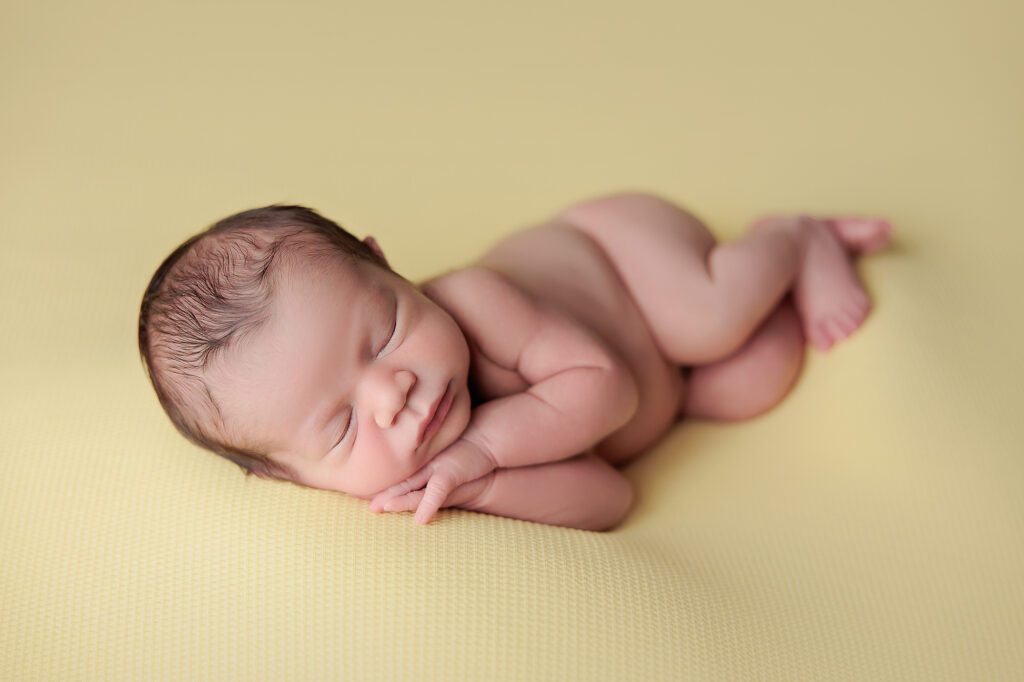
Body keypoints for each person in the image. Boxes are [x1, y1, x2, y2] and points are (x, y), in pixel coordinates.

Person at [138, 191, 892, 531]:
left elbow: (610, 390)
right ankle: (771, 273)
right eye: (339, 429)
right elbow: (608, 498)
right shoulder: (429, 470)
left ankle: (795, 237)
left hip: (620, 254)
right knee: (751, 382)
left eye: (385, 332)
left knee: (708, 323)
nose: (391, 395)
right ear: (293, 476)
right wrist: (484, 485)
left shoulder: (478, 301)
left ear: (387, 266)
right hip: (671, 390)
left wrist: (482, 449)